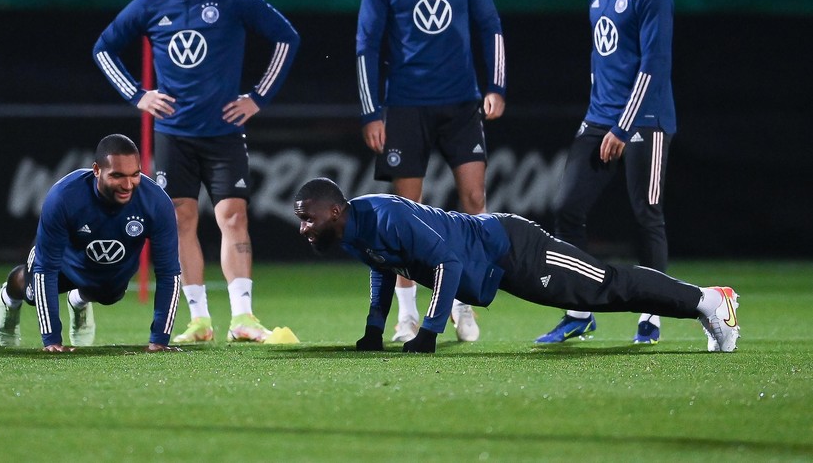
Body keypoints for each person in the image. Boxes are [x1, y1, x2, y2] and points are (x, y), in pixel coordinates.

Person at [93, 0, 300, 344]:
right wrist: (138, 95)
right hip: (174, 133)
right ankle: (199, 320)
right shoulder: (151, 5)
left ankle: (242, 317)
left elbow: (286, 38)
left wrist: (257, 97)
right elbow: (104, 48)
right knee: (180, 220)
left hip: (223, 131)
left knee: (233, 216)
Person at [292, 178, 739, 354]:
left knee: (606, 285)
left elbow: (446, 262)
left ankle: (709, 300)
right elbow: (381, 267)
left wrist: (429, 332)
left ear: (334, 211)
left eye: (307, 218)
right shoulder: (351, 234)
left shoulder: (388, 215)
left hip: (511, 246)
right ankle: (704, 303)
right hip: (494, 268)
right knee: (603, 294)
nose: (303, 228)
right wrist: (374, 329)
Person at [355, 0, 507, 344]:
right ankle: (406, 315)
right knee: (407, 215)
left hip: (461, 104)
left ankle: (464, 305)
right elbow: (366, 45)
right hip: (405, 108)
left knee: (475, 203)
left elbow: (489, 26)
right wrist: (371, 112)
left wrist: (495, 86)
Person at [537, 0, 677, 346]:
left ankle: (651, 314)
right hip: (598, 120)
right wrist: (600, 119)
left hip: (646, 122)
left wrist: (624, 125)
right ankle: (579, 310)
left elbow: (652, 67)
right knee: (567, 209)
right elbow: (604, 63)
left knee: (646, 214)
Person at [0, 134, 181, 352]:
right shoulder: (64, 196)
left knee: (111, 296)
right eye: (118, 175)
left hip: (110, 267)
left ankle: (78, 300)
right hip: (63, 260)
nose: (128, 185)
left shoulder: (157, 203)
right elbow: (46, 268)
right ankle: (8, 297)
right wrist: (52, 340)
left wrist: (160, 339)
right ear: (96, 170)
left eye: (135, 174)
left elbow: (169, 272)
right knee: (33, 294)